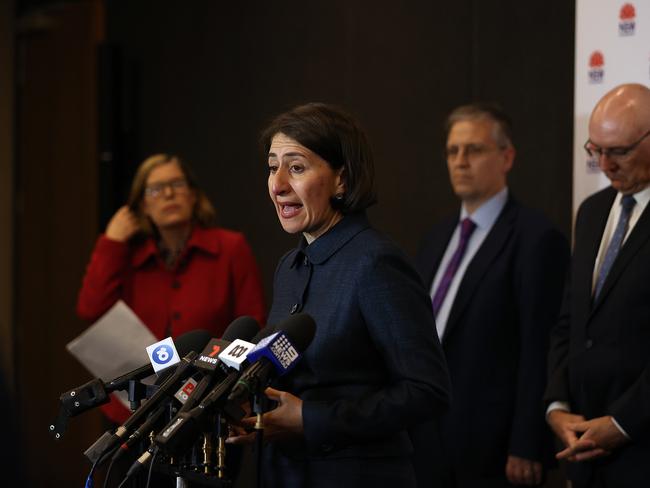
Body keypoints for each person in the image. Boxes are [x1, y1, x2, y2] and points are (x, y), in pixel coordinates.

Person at [228, 102, 451, 488]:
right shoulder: (290, 267)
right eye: (272, 166)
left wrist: (312, 419)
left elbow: (426, 391)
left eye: (296, 167)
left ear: (342, 180)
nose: (278, 184)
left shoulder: (376, 263)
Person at [412, 103, 569, 487]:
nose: (460, 161)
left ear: (507, 156)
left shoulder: (536, 238)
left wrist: (527, 442)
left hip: (494, 449)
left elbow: (539, 347)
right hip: (424, 439)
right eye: (453, 151)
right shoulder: (436, 238)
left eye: (474, 150)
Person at [77, 153, 266, 424]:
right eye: (155, 189)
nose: (168, 194)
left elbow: (252, 325)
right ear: (142, 206)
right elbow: (90, 309)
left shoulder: (230, 248)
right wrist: (111, 242)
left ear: (192, 194)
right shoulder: (127, 255)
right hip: (136, 409)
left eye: (177, 185)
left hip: (206, 406)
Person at [545, 83, 650, 487]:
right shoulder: (591, 213)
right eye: (595, 150)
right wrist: (556, 405)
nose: (604, 164)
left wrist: (623, 424)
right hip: (583, 455)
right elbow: (570, 322)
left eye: (619, 151)